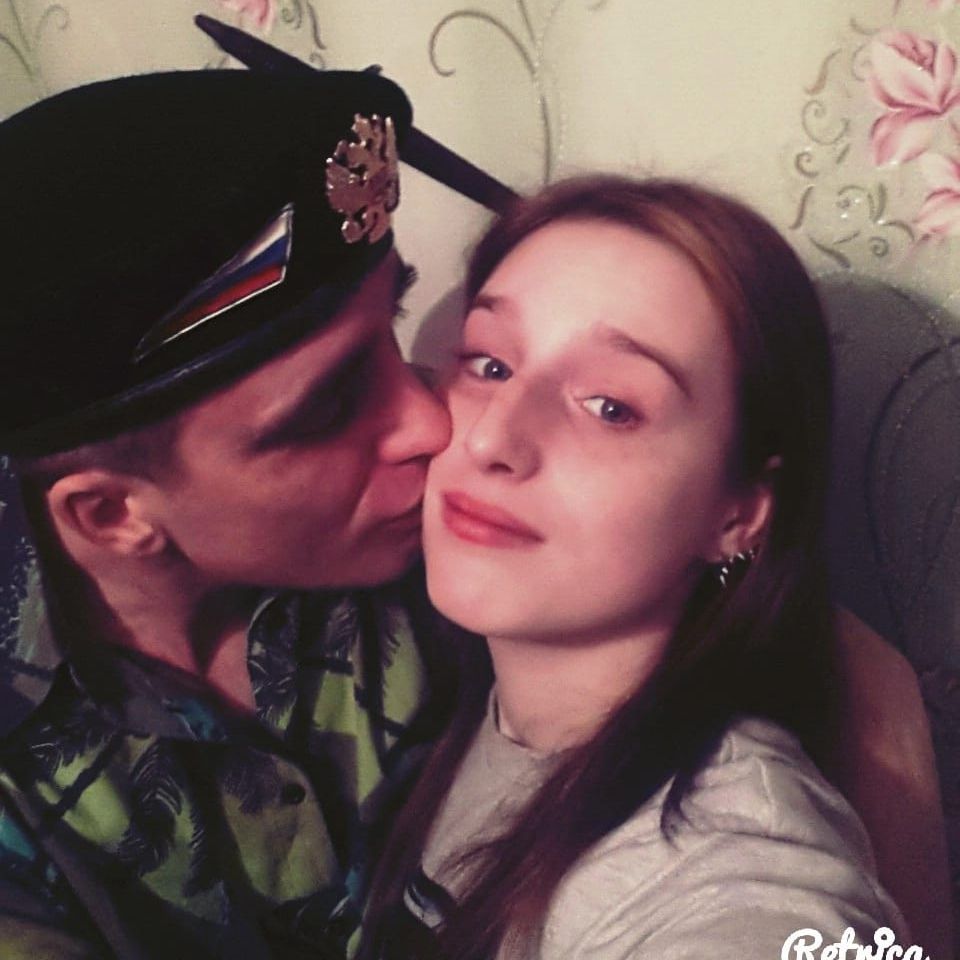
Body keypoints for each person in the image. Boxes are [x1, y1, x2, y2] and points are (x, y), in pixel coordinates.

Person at [0, 63, 508, 959]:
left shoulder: (445, 520)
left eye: (391, 324)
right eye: (329, 407)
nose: (432, 423)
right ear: (113, 515)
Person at [359, 176, 914, 960]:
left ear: (737, 516)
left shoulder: (733, 853)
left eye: (611, 407)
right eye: (489, 365)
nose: (492, 440)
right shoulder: (455, 698)